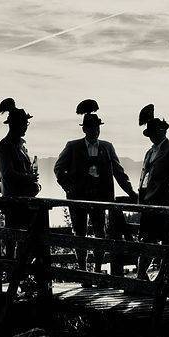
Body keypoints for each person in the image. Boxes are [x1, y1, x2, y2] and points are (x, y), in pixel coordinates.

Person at [54, 99, 138, 274]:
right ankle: (83, 270)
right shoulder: (73, 146)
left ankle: (98, 270)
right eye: (92, 127)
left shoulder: (107, 147)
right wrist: (68, 187)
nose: (95, 130)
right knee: (79, 234)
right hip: (78, 198)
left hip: (100, 199)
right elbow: (58, 168)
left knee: (100, 234)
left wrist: (131, 193)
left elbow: (119, 172)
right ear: (84, 129)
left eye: (97, 127)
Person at [136, 104, 169, 280]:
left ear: (163, 131)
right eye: (150, 133)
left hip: (165, 203)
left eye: (156, 131)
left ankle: (163, 278)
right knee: (147, 240)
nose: (153, 136)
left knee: (165, 241)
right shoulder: (149, 152)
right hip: (149, 203)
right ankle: (141, 276)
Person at [0, 98, 41, 259]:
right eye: (23, 124)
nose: (25, 128)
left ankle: (20, 275)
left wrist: (32, 181)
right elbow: (8, 174)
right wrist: (30, 179)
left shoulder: (20, 147)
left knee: (26, 241)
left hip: (25, 201)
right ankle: (13, 276)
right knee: (14, 239)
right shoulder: (5, 146)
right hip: (14, 203)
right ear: (14, 125)